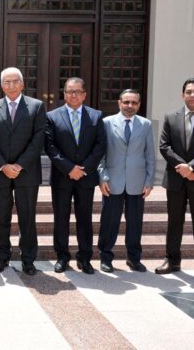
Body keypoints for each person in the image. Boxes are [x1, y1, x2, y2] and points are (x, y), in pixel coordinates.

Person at [0, 67, 46, 275]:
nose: (11, 85)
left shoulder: (36, 106)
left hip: (27, 173)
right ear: (2, 85)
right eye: (7, 82)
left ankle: (28, 260)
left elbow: (38, 139)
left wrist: (19, 165)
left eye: (15, 81)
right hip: (1, 173)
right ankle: (2, 257)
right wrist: (3, 165)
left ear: (22, 84)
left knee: (27, 218)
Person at [45, 77, 106, 274]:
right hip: (62, 177)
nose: (74, 95)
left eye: (78, 91)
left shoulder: (96, 116)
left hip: (86, 178)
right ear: (64, 94)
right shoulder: (52, 116)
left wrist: (83, 168)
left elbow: (100, 146)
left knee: (85, 218)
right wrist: (69, 168)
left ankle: (85, 258)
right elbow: (49, 146)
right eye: (70, 91)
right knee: (61, 218)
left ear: (84, 95)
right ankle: (62, 257)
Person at [97, 89, 155, 273]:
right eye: (126, 102)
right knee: (109, 222)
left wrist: (149, 181)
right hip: (112, 181)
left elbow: (150, 155)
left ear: (139, 104)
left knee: (135, 223)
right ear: (119, 103)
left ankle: (134, 259)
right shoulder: (106, 123)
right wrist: (102, 176)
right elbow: (100, 154)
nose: (130, 106)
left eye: (134, 103)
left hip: (137, 182)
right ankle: (105, 257)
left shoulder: (145, 124)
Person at [156, 78, 194, 274]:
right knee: (174, 222)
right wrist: (182, 167)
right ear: (182, 95)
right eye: (189, 92)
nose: (192, 95)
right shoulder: (171, 117)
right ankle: (172, 261)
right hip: (175, 178)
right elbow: (164, 146)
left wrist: (191, 168)